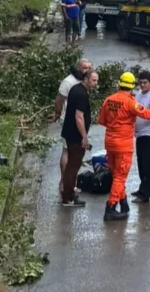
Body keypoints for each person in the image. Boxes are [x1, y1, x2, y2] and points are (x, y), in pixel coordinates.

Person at [97, 72, 150, 221]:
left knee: (116, 175)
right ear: (133, 85)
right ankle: (111, 207)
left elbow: (102, 121)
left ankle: (123, 202)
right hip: (123, 145)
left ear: (119, 83)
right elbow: (147, 114)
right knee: (120, 177)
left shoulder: (108, 100)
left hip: (110, 143)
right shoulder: (130, 102)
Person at [51, 59, 93, 195]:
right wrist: (57, 113)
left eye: (89, 67)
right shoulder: (68, 82)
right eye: (84, 67)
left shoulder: (84, 82)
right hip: (69, 121)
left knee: (71, 155)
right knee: (68, 153)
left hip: (76, 121)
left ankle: (67, 183)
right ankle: (66, 184)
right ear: (78, 68)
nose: (87, 70)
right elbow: (59, 100)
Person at [60, 69, 99, 207]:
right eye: (94, 80)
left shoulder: (75, 89)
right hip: (76, 136)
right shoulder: (82, 94)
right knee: (73, 166)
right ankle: (68, 197)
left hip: (69, 133)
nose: (96, 84)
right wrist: (84, 137)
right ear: (86, 79)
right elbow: (79, 117)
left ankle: (67, 194)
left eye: (97, 81)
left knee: (72, 165)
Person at [132, 71, 150, 204]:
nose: (142, 85)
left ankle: (145, 194)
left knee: (149, 165)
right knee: (141, 163)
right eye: (141, 83)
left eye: (145, 83)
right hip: (140, 134)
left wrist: (144, 114)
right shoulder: (139, 94)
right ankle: (141, 188)